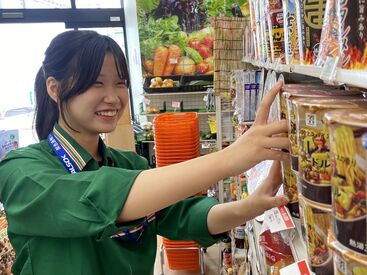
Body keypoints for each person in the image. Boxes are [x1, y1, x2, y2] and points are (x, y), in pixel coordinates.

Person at [0, 30, 289, 275]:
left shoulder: (130, 165)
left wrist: (250, 207)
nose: (113, 97)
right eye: (96, 83)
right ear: (54, 88)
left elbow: (184, 215)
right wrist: (230, 158)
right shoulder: (21, 171)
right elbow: (98, 197)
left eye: (121, 83)